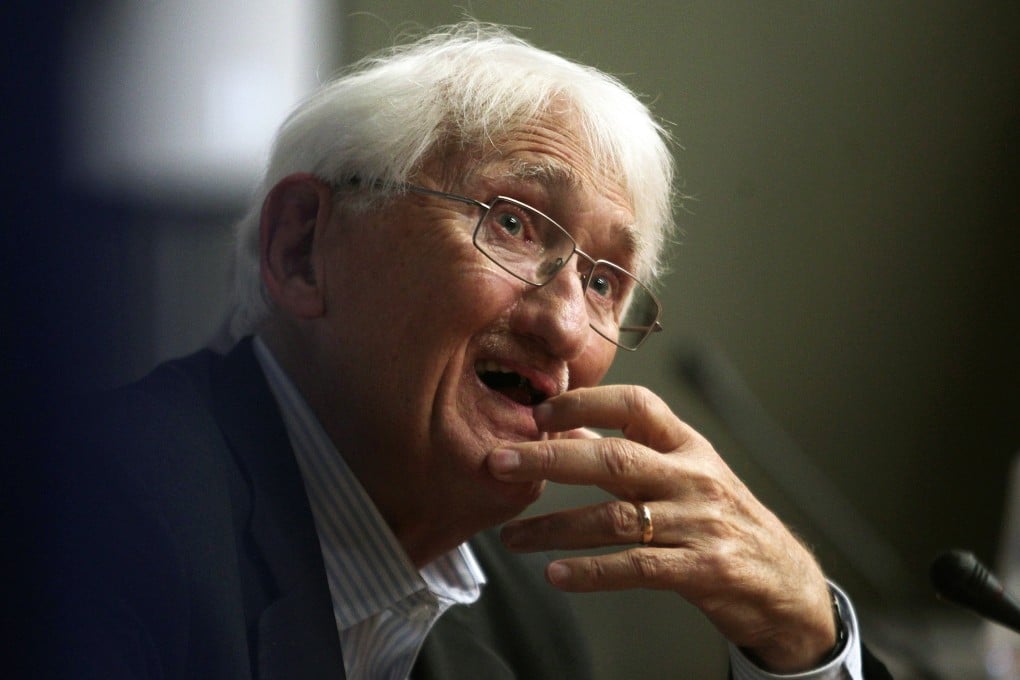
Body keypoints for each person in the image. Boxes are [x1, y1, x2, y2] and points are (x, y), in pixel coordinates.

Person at [24, 22, 891, 679]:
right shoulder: (92, 521)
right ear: (301, 249)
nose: (562, 325)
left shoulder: (516, 614)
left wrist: (800, 641)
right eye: (511, 223)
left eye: (603, 283)